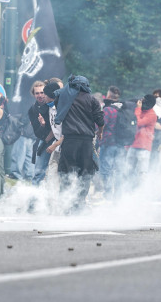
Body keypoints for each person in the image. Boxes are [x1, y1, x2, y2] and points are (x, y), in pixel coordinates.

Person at [53, 74, 104, 213]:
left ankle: (65, 204)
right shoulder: (92, 99)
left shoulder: (63, 97)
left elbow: (57, 106)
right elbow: (100, 120)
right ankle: (79, 204)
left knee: (66, 173)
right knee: (85, 174)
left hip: (69, 141)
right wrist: (100, 132)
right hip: (86, 142)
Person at [99, 86, 125, 199]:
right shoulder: (123, 108)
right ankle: (118, 195)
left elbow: (101, 125)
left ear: (108, 95)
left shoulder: (107, 109)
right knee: (118, 170)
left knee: (106, 169)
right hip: (121, 143)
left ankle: (108, 193)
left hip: (108, 143)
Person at [130, 94, 158, 186]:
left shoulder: (152, 114)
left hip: (144, 146)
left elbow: (138, 122)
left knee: (142, 172)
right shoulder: (141, 111)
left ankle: (141, 192)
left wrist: (138, 109)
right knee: (128, 169)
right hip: (133, 144)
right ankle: (127, 189)